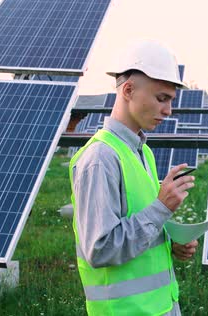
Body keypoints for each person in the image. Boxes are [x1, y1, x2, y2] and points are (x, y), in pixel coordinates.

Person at [69, 40, 198, 315]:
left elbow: (140, 222)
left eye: (170, 101)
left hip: (162, 307)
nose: (168, 110)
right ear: (128, 90)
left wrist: (170, 240)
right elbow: (101, 249)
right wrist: (161, 208)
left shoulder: (144, 153)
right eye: (161, 99)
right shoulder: (100, 159)